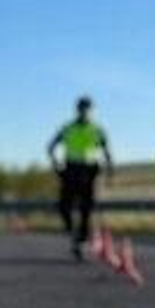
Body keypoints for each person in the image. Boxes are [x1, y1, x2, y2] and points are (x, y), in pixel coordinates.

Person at [47, 96, 113, 259]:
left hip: (89, 170)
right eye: (83, 109)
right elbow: (50, 147)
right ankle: (74, 235)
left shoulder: (97, 130)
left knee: (86, 209)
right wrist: (57, 166)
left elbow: (107, 152)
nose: (86, 112)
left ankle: (81, 242)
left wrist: (109, 170)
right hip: (70, 169)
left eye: (88, 109)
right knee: (63, 207)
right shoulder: (67, 128)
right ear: (78, 110)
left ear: (92, 111)